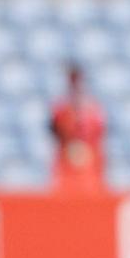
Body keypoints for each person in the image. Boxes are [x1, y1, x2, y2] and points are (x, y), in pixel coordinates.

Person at [48, 62, 106, 194]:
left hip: (88, 168)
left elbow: (98, 133)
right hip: (67, 168)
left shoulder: (93, 109)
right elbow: (55, 130)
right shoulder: (61, 109)